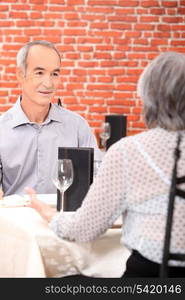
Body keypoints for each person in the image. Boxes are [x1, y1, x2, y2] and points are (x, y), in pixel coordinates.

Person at [26, 51, 185, 277]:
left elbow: (83, 229)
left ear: (149, 95)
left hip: (153, 277)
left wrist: (49, 214)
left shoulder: (130, 151)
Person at [0, 40, 101, 196]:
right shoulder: (2, 129)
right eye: (39, 73)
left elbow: (99, 181)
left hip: (64, 218)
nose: (48, 83)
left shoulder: (78, 127)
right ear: (21, 75)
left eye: (54, 74)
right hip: (16, 218)